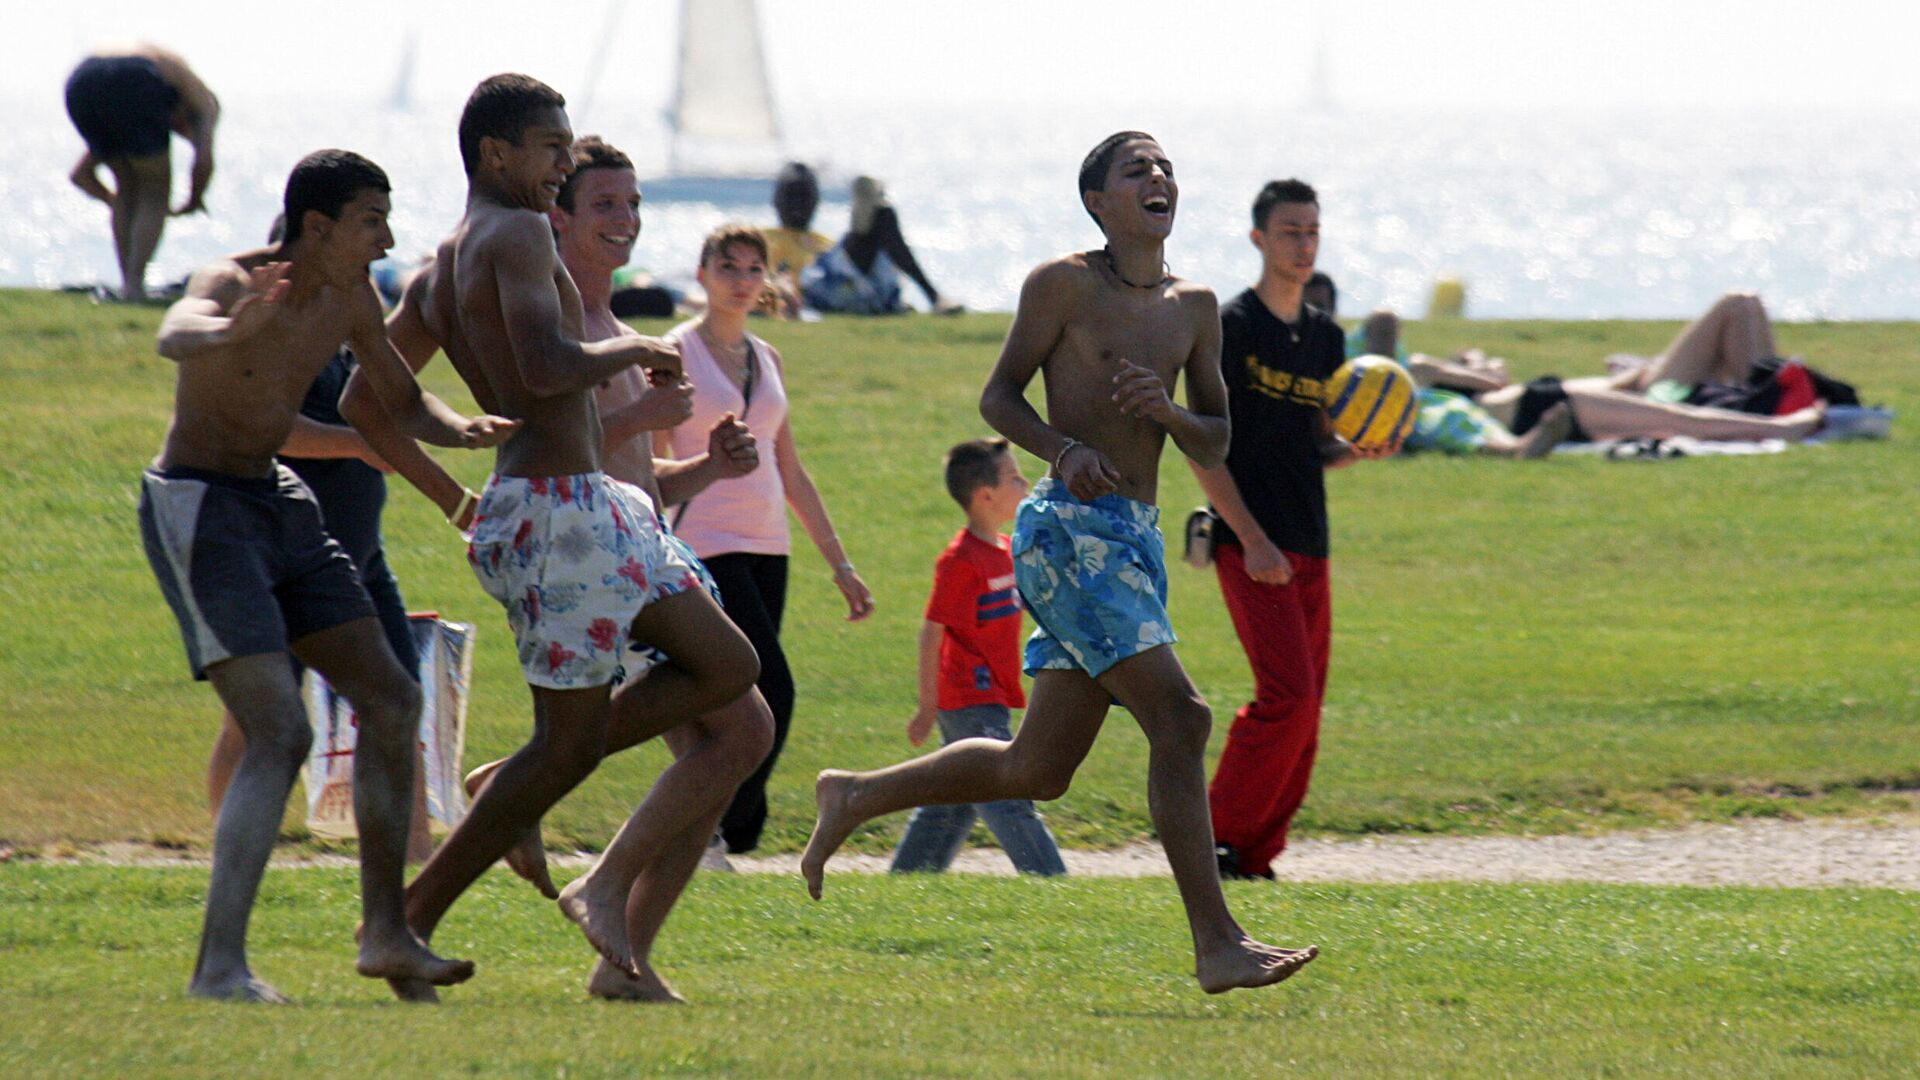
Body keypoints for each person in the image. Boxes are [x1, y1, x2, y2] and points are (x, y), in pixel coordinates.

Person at [800, 132, 1317, 994]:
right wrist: (1062, 446)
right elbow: (998, 395)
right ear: (1097, 202)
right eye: (1135, 170)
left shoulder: (1195, 307)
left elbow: (1219, 433)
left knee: (1036, 769)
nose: (1158, 179)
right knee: (1182, 719)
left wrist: (1170, 412)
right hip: (1066, 533)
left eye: (1165, 169)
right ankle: (1217, 942)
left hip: (1136, 539)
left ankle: (851, 795)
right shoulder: (1063, 285)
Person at [372, 75, 769, 1004]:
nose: (562, 162)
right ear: (494, 155)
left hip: (565, 507)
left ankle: (418, 909)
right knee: (599, 734)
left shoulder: (442, 263)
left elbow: (371, 397)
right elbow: (549, 368)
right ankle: (407, 918)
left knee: (719, 681)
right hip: (560, 512)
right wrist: (632, 358)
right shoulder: (514, 233)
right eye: (551, 149)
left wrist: (454, 487)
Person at [142, 148, 514, 1002]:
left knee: (392, 698)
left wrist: (461, 428)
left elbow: (399, 398)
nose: (387, 239)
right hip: (203, 506)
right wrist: (227, 331)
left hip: (282, 503)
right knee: (279, 729)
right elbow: (176, 331)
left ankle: (387, 934)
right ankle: (219, 970)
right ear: (317, 227)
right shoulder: (232, 282)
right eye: (371, 221)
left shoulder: (353, 297)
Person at [1188, 180, 1399, 885]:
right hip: (1251, 543)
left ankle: (1253, 855)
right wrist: (1248, 537)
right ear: (1258, 239)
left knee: (1308, 712)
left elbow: (1311, 446)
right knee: (1288, 698)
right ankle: (1211, 839)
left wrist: (1357, 449)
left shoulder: (1327, 338)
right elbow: (1203, 448)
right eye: (1289, 231)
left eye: (1312, 231)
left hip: (1309, 539)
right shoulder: (1232, 327)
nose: (1303, 244)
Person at [656, 223, 877, 859]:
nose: (743, 280)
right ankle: (725, 825)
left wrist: (840, 563)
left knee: (731, 700)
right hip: (703, 541)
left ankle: (706, 829)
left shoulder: (767, 358)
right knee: (768, 689)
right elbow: (648, 464)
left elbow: (791, 470)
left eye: (755, 269)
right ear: (701, 274)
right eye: (729, 267)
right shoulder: (671, 354)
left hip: (767, 545)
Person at [889, 438, 1066, 877]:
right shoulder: (960, 561)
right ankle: (1050, 880)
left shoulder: (1006, 549)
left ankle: (909, 876)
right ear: (985, 496)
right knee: (1002, 786)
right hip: (966, 695)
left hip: (994, 692)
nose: (1024, 483)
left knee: (955, 796)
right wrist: (928, 706)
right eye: (1015, 478)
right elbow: (931, 634)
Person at [65, 44, 220, 301]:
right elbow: (203, 159)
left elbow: (80, 176)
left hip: (81, 79)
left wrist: (115, 202)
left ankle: (129, 285)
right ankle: (134, 286)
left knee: (128, 185)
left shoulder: (167, 79)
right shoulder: (204, 105)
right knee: (155, 190)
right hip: (135, 77)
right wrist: (195, 200)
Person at [802, 175, 961, 315]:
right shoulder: (884, 226)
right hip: (836, 284)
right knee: (884, 218)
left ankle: (933, 297)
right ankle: (933, 296)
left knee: (882, 220)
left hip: (850, 281)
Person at [763, 161, 832, 316]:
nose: (797, 204)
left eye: (804, 196)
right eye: (790, 195)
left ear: (816, 200)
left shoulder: (829, 247)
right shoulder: (757, 241)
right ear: (775, 199)